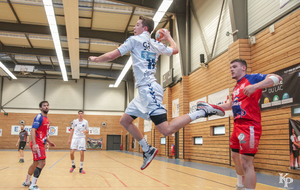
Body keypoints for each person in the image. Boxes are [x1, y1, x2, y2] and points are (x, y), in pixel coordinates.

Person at [89, 15, 225, 170]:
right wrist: (169, 37)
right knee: (125, 121)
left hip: (149, 89)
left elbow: (113, 55)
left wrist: (97, 59)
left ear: (144, 28)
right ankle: (147, 149)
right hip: (143, 92)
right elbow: (175, 50)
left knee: (166, 130)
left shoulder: (134, 40)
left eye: (137, 24)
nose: (134, 27)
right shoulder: (155, 43)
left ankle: (202, 111)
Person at [218, 59, 282, 190]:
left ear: (243, 68)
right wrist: (213, 108)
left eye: (234, 66)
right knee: (235, 157)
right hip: (237, 125)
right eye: (230, 67)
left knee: (246, 162)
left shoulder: (253, 78)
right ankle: (240, 185)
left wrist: (255, 86)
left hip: (249, 125)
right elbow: (231, 105)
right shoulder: (236, 87)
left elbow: (277, 78)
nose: (231, 69)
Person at [22, 101, 55, 190]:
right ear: (40, 108)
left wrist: (49, 142)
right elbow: (33, 130)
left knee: (35, 163)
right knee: (42, 163)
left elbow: (43, 133)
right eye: (44, 106)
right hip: (38, 143)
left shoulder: (47, 119)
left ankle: (27, 181)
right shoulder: (39, 117)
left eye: (47, 105)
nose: (46, 107)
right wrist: (35, 144)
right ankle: (33, 185)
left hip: (40, 143)